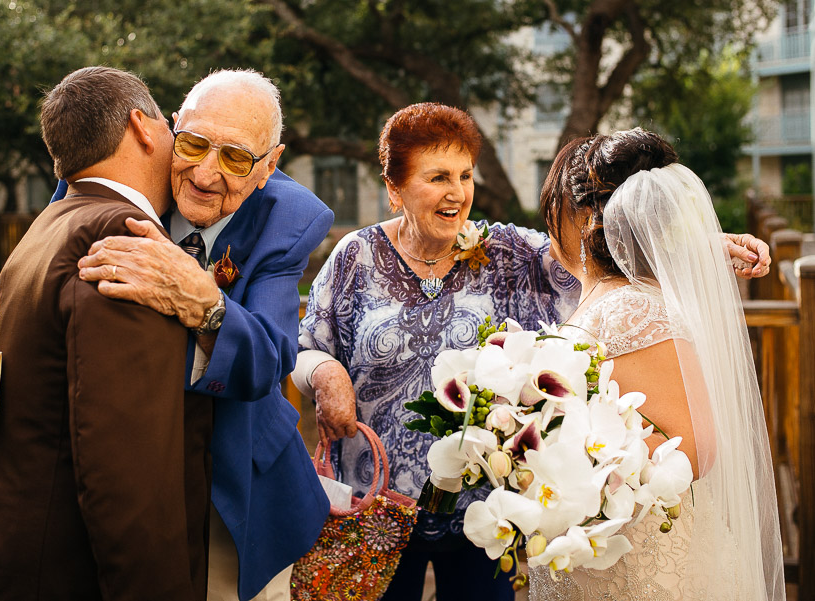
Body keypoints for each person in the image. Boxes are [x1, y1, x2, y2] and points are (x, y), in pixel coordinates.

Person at [291, 104, 774, 601]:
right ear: (395, 188)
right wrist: (325, 371)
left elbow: (597, 245)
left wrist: (700, 246)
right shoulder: (354, 255)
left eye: (464, 175)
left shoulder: (504, 252)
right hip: (376, 504)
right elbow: (306, 347)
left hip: (486, 510)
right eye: (437, 177)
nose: (456, 192)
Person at [0, 69, 332, 601]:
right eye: (193, 144)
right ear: (168, 130)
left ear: (269, 165)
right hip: (136, 466)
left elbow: (269, 358)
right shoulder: (126, 171)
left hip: (239, 469)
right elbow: (53, 249)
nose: (206, 173)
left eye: (236, 158)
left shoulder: (290, 218)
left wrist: (208, 306)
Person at [0, 66, 211, 600]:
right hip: (70, 576)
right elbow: (126, 461)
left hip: (9, 557)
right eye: (171, 126)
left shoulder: (49, 224)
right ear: (143, 127)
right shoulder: (120, 236)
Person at [529, 128, 784, 600]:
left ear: (583, 216)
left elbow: (698, 447)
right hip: (594, 554)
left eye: (554, 209)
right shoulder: (617, 301)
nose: (546, 227)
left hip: (637, 565)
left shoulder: (634, 308)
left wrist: (577, 468)